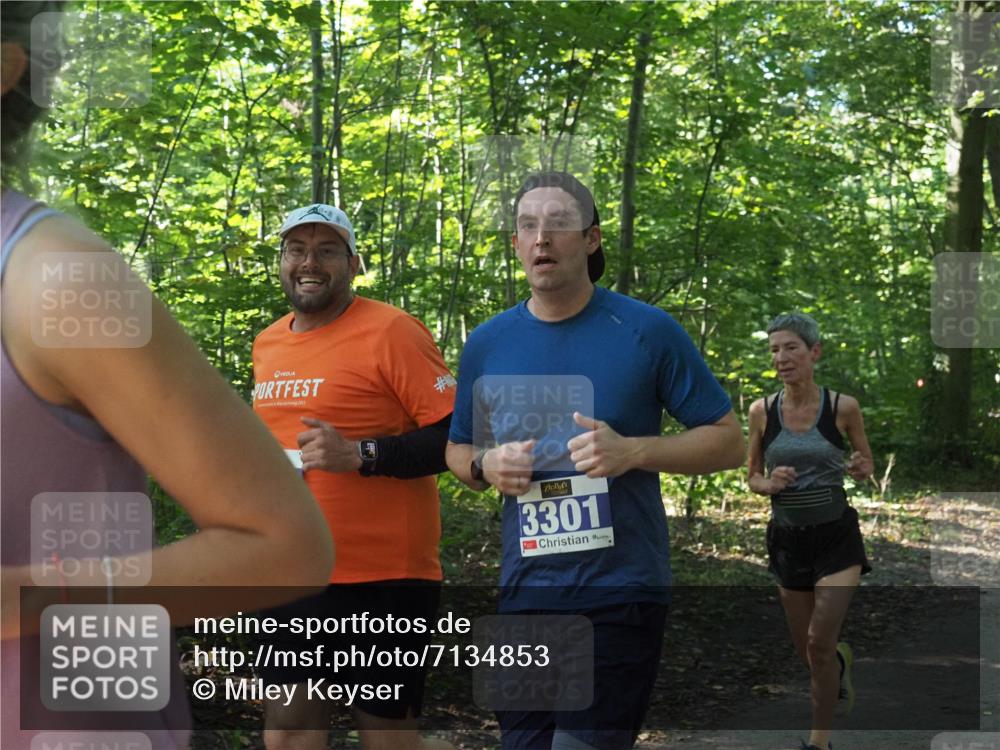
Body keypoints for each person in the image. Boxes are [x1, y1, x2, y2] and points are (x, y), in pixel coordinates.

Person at [1, 3, 333, 748]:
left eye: (324, 250)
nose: (307, 264)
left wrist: (18, 598)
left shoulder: (59, 280)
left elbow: (287, 546)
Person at [445, 171, 745, 750]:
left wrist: (635, 450)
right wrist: (486, 466)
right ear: (515, 244)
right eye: (528, 227)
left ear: (591, 238)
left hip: (620, 590)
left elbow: (728, 439)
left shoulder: (646, 331)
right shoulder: (488, 343)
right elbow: (457, 449)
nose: (541, 239)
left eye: (558, 225)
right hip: (527, 592)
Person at [252, 203, 457, 750]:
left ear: (354, 263)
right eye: (296, 249)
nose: (309, 262)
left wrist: (361, 454)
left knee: (386, 733)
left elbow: (456, 440)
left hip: (386, 575)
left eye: (326, 250)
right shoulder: (268, 343)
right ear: (281, 261)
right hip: (291, 568)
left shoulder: (392, 330)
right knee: (289, 729)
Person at [746, 312, 875, 750]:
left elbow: (865, 464)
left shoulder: (843, 408)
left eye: (791, 348)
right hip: (788, 542)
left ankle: (818, 744)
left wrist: (860, 468)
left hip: (837, 537)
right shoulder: (761, 412)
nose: (781, 358)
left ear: (814, 352)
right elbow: (751, 477)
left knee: (819, 640)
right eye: (775, 350)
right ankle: (838, 663)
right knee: (811, 651)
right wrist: (769, 484)